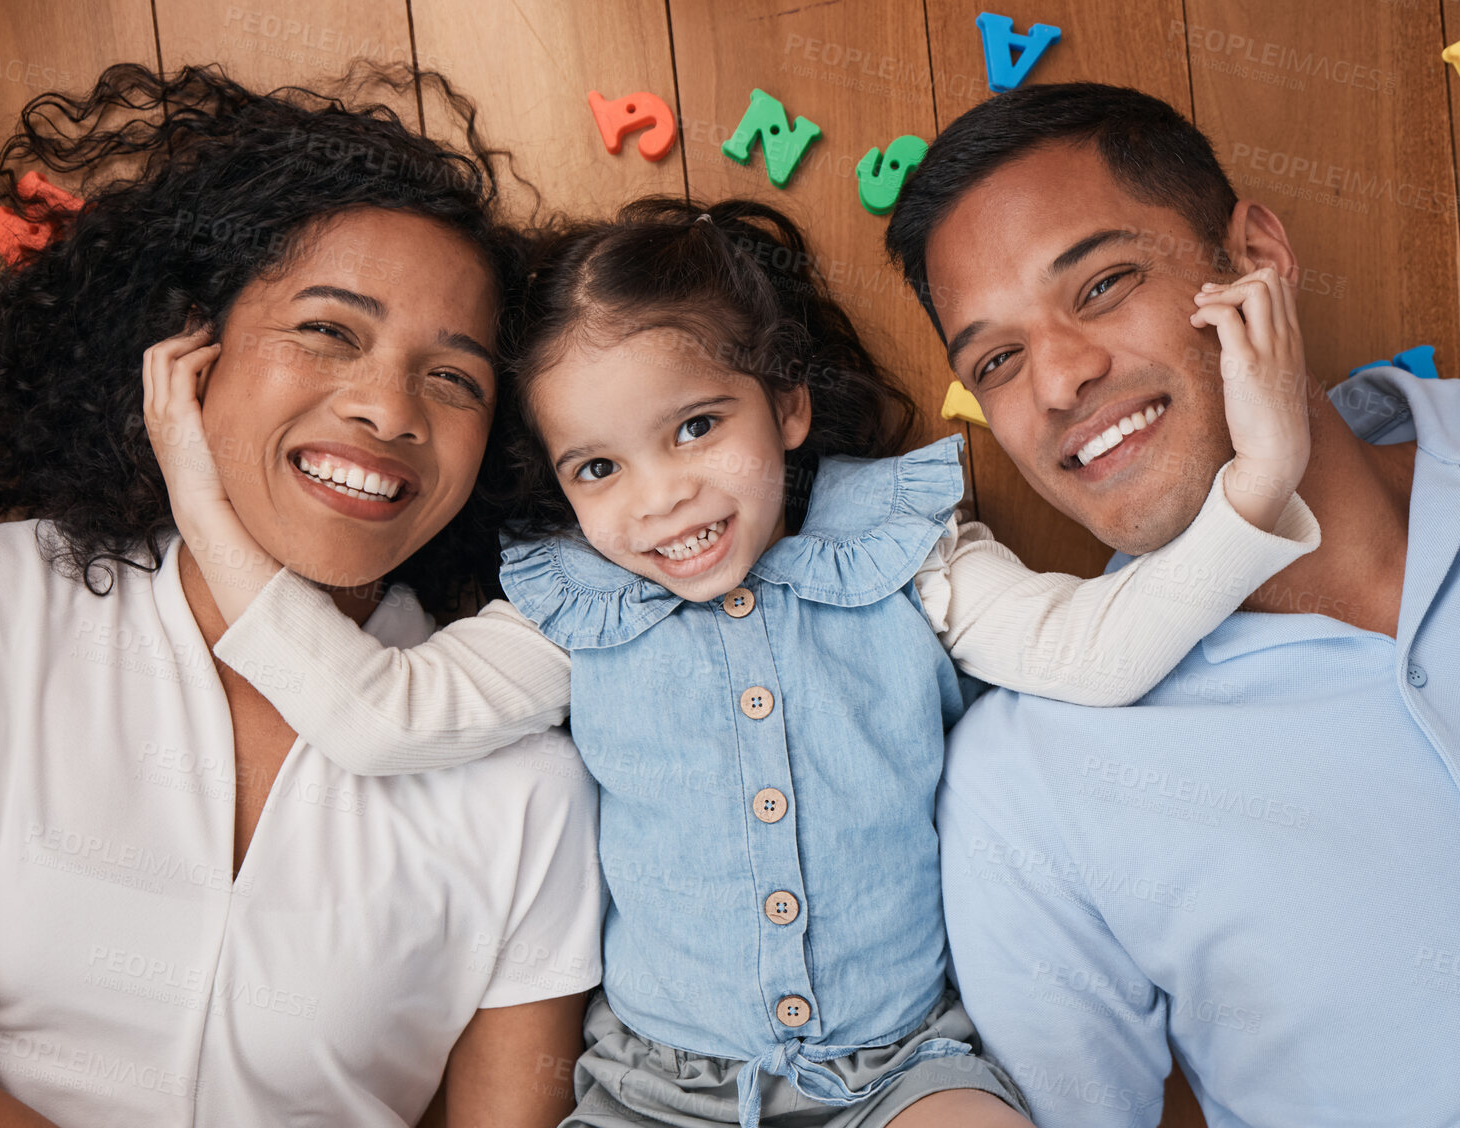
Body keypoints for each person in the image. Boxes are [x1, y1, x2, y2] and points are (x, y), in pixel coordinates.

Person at [143, 195, 1320, 1127]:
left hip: (901, 1072)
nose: (663, 501)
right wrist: (199, 494)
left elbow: (1092, 650)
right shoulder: (575, 609)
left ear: (788, 410)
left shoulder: (902, 555)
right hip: (662, 1092)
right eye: (596, 469)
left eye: (696, 427)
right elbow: (378, 720)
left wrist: (1254, 487)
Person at [0, 63, 602, 1127]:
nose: (387, 408)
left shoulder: (530, 786)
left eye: (455, 377)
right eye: (328, 330)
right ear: (191, 351)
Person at [885, 82, 1460, 1126]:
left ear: (1256, 255)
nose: (1058, 381)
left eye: (1100, 285)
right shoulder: (1028, 784)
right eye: (997, 360)